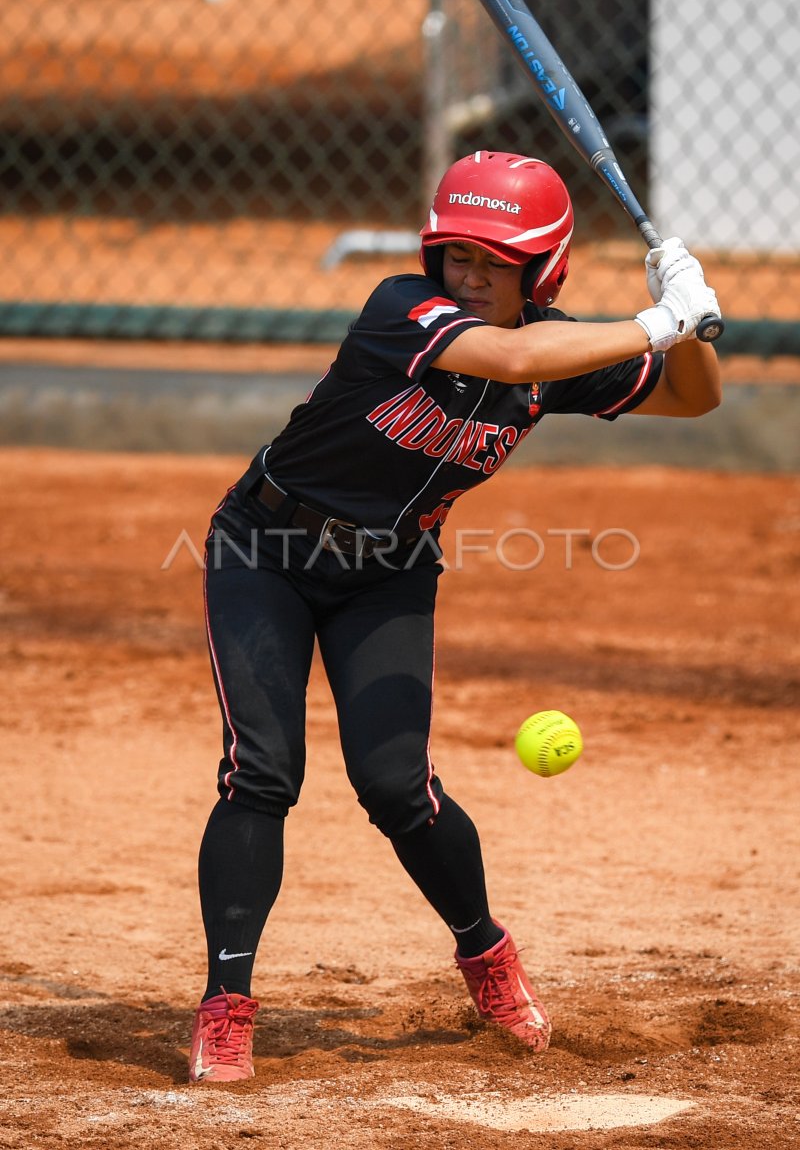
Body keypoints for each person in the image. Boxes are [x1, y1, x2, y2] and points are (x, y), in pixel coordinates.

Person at [188, 150, 722, 1082]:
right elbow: (509, 356)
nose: (471, 277)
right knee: (262, 771)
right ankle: (225, 1004)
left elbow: (695, 397)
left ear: (543, 272)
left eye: (497, 263)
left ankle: (487, 956)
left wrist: (690, 312)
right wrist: (655, 321)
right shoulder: (404, 308)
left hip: (388, 572)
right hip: (264, 550)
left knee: (397, 786)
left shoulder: (556, 357)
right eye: (459, 255)